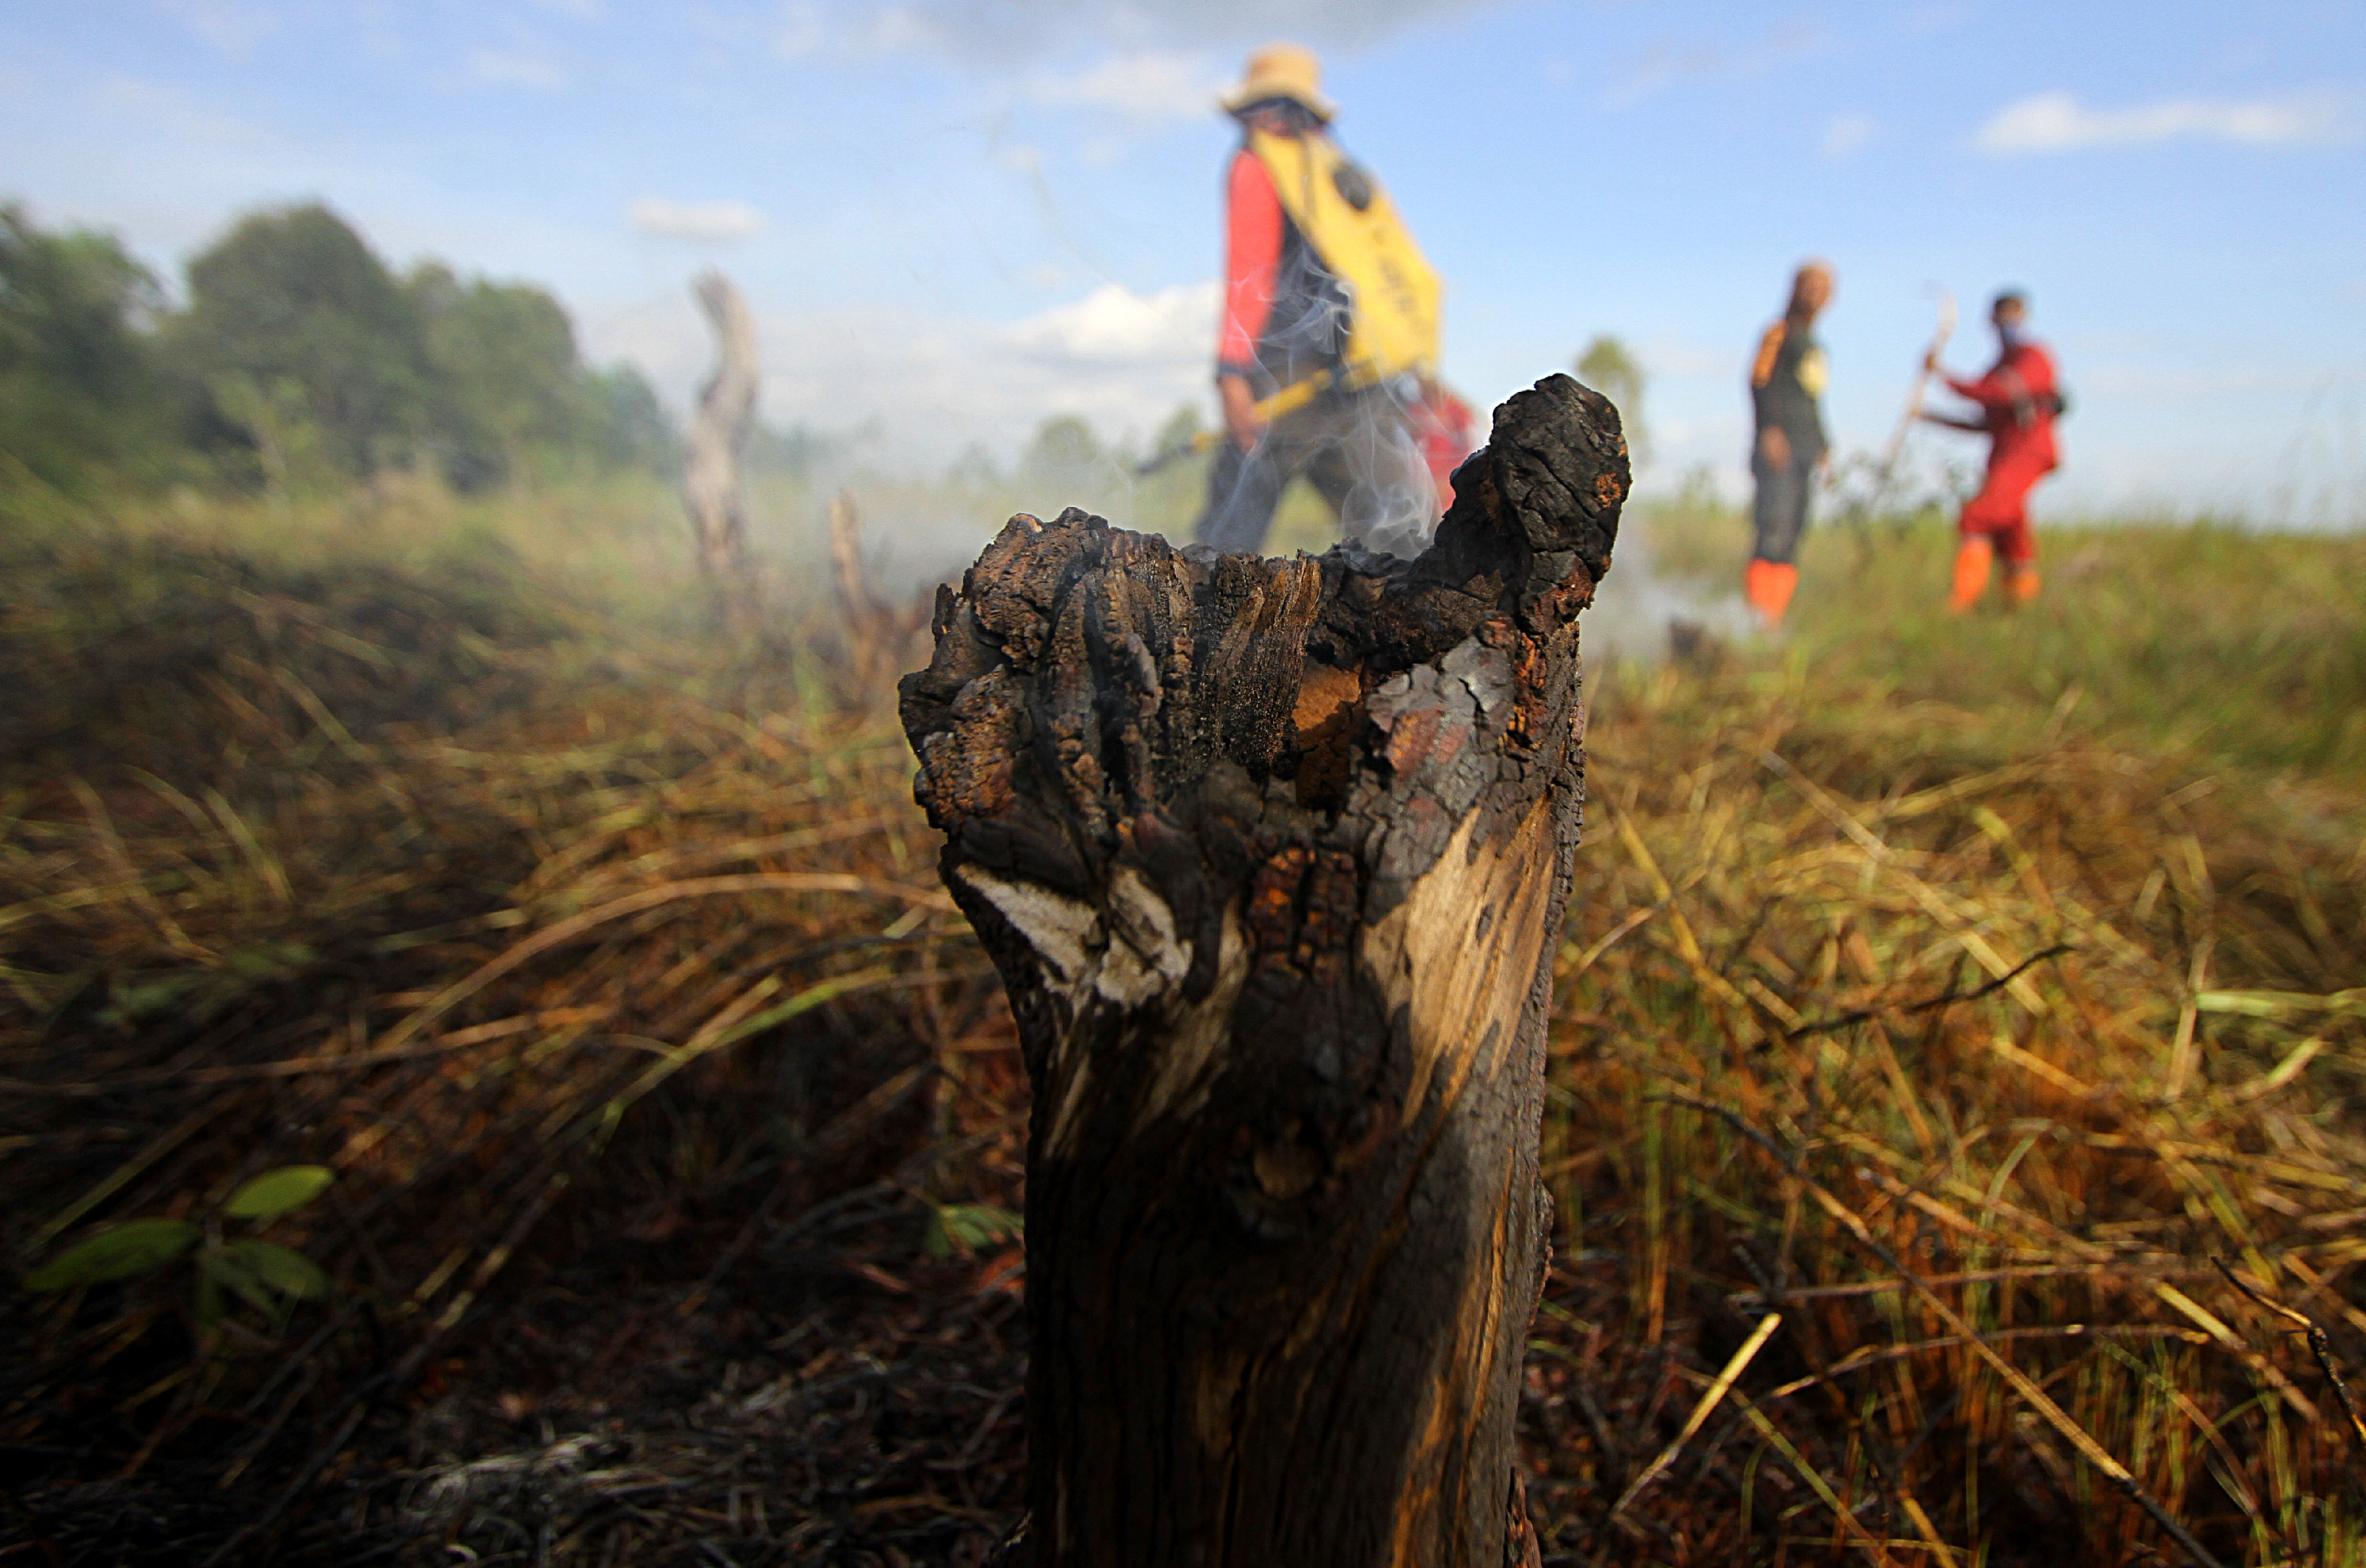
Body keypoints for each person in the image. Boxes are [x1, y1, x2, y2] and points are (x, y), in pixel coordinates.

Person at [1194, 44, 1443, 559]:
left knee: (1220, 551)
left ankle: (1185, 635)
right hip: (1365, 382)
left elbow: (1251, 274)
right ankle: (1448, 635)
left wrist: (1231, 373)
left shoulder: (1256, 162)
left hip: (1281, 386)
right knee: (1405, 548)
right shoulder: (1347, 175)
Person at [1921, 289, 2061, 611]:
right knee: (2010, 530)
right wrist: (1931, 418)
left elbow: (1995, 393)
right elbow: (1982, 420)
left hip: (2028, 451)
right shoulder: (1999, 364)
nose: (2009, 323)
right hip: (2004, 454)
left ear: (2025, 317)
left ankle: (1962, 603)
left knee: (1977, 516)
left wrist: (1943, 375)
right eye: (2003, 316)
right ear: (1992, 321)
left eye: (2015, 315)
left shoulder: (2034, 356)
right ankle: (2020, 607)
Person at [1743, 261, 1834, 629]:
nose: (1816, 293)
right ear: (1794, 288)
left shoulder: (1814, 343)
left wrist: (1823, 445)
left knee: (1795, 531)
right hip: (1778, 447)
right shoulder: (1779, 332)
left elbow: (1811, 398)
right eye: (1809, 284)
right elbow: (1759, 380)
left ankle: (1774, 620)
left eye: (1824, 287)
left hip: (1806, 449)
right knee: (1774, 528)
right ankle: (1756, 619)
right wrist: (1770, 431)